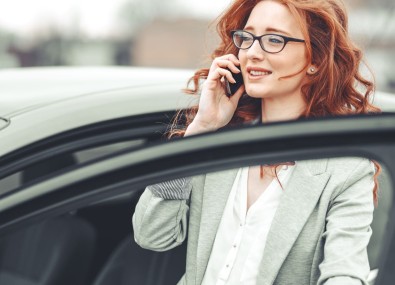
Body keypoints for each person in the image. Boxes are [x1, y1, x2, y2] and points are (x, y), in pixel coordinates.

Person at [133, 0, 381, 284]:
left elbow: (344, 274)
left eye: (274, 39)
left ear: (315, 60)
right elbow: (151, 234)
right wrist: (200, 130)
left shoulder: (345, 170)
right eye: (247, 38)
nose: (252, 53)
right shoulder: (218, 144)